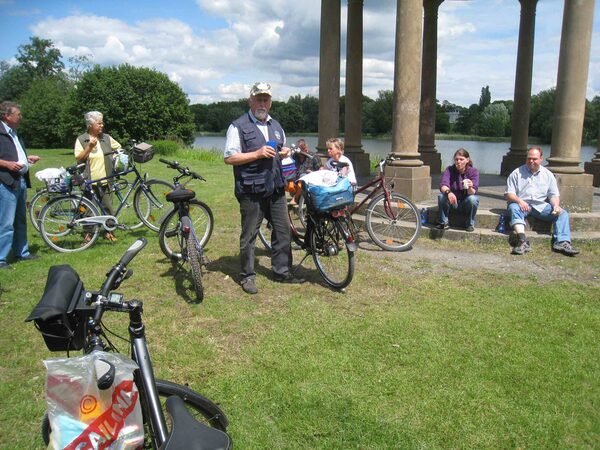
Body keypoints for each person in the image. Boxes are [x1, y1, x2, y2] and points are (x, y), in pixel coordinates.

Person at [224, 82, 305, 294]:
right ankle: (247, 276)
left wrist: (285, 153)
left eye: (265, 99)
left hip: (276, 189)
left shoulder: (276, 126)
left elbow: (280, 150)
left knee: (283, 230)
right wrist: (256, 154)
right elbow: (229, 157)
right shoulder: (237, 126)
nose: (262, 103)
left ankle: (282, 271)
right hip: (251, 191)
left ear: (270, 102)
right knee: (249, 235)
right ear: (250, 101)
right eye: (258, 99)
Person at [504, 146, 579, 256]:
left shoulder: (548, 175)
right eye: (529, 158)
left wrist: (556, 206)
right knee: (513, 207)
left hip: (540, 205)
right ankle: (522, 241)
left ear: (541, 159)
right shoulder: (516, 173)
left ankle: (562, 242)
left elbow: (553, 194)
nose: (531, 161)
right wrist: (519, 201)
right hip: (522, 204)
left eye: (534, 159)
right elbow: (508, 194)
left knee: (562, 213)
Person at [0, 101, 41, 269]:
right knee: (6, 222)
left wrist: (26, 158)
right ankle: (1, 258)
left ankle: (22, 252)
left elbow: (15, 152)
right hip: (6, 181)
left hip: (21, 180)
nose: (21, 117)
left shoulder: (14, 132)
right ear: (7, 116)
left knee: (20, 220)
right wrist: (7, 164)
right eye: (18, 114)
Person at [74, 111, 121, 241]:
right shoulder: (81, 139)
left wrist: (117, 156)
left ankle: (109, 231)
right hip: (88, 181)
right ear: (90, 125)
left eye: (102, 122)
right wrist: (89, 146)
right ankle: (89, 233)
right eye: (99, 123)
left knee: (108, 207)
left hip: (105, 179)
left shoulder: (106, 138)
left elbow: (119, 149)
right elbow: (79, 159)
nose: (102, 125)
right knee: (89, 210)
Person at [436, 148, 480, 232]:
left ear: (467, 160)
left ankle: (470, 224)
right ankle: (443, 222)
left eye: (461, 159)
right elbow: (443, 185)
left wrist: (470, 187)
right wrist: (449, 193)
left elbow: (473, 192)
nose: (458, 162)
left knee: (473, 199)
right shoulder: (449, 169)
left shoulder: (474, 172)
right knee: (442, 196)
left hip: (465, 203)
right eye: (456, 159)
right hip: (452, 202)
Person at [289, 138, 321, 205]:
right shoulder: (294, 156)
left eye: (306, 150)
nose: (306, 151)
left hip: (308, 183)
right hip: (294, 181)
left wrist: (312, 173)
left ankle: (296, 198)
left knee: (303, 177)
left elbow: (320, 172)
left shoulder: (314, 156)